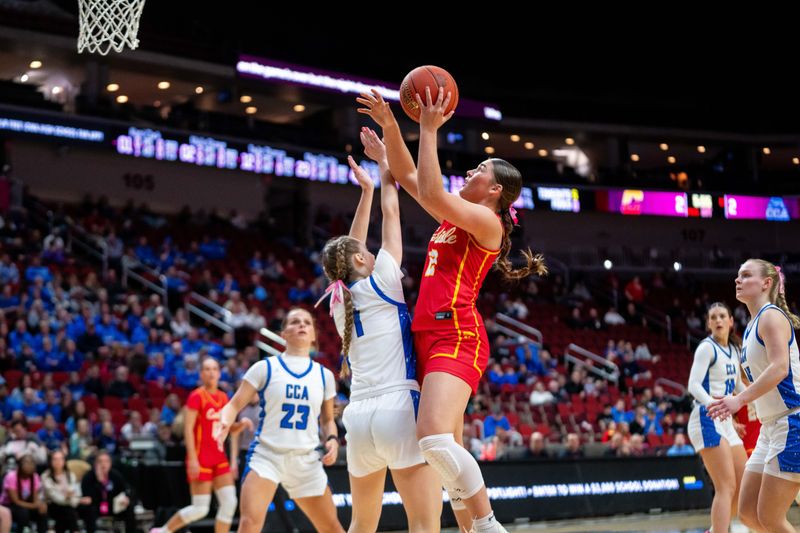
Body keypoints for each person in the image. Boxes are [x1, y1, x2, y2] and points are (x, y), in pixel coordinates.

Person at [358, 87, 546, 532]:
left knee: (435, 439)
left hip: (456, 333)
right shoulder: (454, 218)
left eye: (479, 169)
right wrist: (390, 126)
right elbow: (409, 177)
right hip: (427, 336)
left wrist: (427, 129)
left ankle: (487, 525)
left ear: (495, 189)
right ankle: (469, 528)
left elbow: (427, 186)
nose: (470, 170)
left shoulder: (488, 222)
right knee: (448, 450)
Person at [318, 129, 441, 532]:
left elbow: (348, 250)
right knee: (424, 524)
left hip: (359, 417)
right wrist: (385, 169)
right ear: (360, 259)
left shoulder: (339, 301)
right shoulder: (384, 277)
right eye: (366, 252)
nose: (373, 252)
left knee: (361, 526)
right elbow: (393, 213)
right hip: (396, 407)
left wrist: (366, 190)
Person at [216, 308, 344, 533]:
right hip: (267, 456)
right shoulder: (265, 367)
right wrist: (224, 421)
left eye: (307, 322)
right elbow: (234, 404)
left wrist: (332, 438)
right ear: (284, 333)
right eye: (294, 322)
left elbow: (327, 420)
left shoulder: (324, 375)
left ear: (314, 334)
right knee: (249, 525)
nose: (302, 325)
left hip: (305, 459)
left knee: (331, 527)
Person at [708, 259, 800, 533]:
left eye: (746, 275)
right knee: (748, 513)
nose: (738, 280)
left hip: (791, 422)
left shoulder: (772, 316)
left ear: (766, 283)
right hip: (770, 427)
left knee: (769, 517)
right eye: (737, 275)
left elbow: (780, 368)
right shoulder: (750, 326)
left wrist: (739, 400)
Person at [150, 357, 251, 533]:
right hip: (201, 457)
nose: (211, 372)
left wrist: (240, 425)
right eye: (206, 369)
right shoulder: (196, 396)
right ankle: (163, 531)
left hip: (219, 458)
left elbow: (229, 429)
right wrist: (193, 460)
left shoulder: (223, 397)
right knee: (200, 509)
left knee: (230, 502)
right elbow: (188, 430)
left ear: (219, 373)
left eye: (214, 369)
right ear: (201, 374)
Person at [686, 302, 746, 533]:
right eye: (713, 317)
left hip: (724, 420)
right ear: (709, 323)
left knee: (742, 487)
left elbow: (739, 388)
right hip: (705, 416)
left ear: (731, 321)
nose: (718, 320)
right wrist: (717, 406)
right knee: (726, 487)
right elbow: (693, 385)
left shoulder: (735, 350)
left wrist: (764, 401)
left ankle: (713, 531)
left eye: (722, 316)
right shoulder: (706, 348)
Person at [80, 450, 136, 533]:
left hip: (112, 506)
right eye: (100, 462)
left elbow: (126, 489)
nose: (103, 464)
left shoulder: (115, 475)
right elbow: (89, 497)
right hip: (96, 507)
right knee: (88, 510)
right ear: (95, 464)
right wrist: (99, 482)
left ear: (110, 463)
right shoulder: (88, 477)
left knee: (129, 508)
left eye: (106, 461)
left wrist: (127, 498)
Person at [42, 449, 83, 533]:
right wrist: (68, 497)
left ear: (64, 461)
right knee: (69, 512)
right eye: (55, 459)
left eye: (60, 459)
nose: (58, 462)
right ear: (50, 461)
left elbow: (77, 493)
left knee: (70, 511)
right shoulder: (45, 476)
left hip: (69, 505)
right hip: (52, 506)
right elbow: (56, 498)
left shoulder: (70, 475)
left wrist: (74, 499)